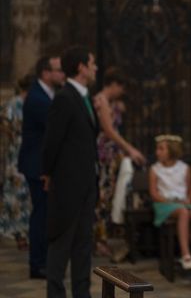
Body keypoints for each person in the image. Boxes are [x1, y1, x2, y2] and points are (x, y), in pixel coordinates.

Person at [42, 46, 99, 298]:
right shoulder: (65, 98)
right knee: (61, 245)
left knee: (83, 247)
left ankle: (81, 294)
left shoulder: (85, 97)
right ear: (81, 67)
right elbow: (52, 141)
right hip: (67, 185)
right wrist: (48, 174)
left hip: (86, 183)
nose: (95, 67)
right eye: (92, 63)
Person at [19, 55, 65, 280]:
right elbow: (54, 128)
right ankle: (37, 264)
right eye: (58, 70)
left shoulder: (47, 94)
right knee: (41, 214)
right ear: (46, 73)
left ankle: (42, 260)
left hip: (40, 163)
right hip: (37, 164)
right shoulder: (38, 98)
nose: (62, 74)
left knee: (44, 213)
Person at [93, 67, 146, 257]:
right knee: (102, 196)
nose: (122, 92)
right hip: (104, 153)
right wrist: (129, 149)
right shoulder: (101, 101)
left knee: (111, 194)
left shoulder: (112, 102)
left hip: (113, 154)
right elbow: (108, 130)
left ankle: (105, 236)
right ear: (113, 85)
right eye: (120, 87)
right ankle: (98, 240)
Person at [149, 134, 191, 270]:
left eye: (161, 149)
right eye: (157, 149)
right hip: (164, 204)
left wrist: (188, 200)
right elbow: (154, 193)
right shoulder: (155, 169)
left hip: (182, 203)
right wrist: (170, 201)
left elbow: (189, 191)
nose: (157, 152)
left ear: (172, 150)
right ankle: (185, 255)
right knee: (183, 212)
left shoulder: (184, 168)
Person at [0, 74, 33, 250]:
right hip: (19, 152)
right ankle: (20, 233)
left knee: (19, 195)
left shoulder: (11, 106)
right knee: (20, 194)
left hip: (16, 152)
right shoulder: (16, 106)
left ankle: (20, 232)